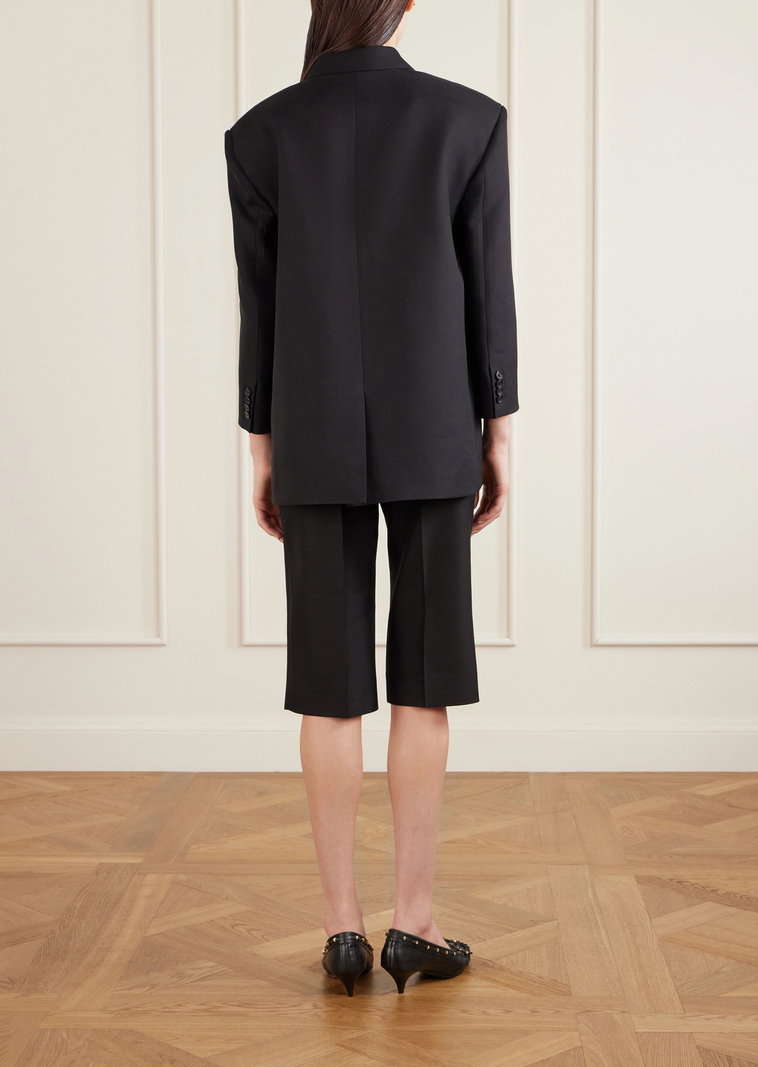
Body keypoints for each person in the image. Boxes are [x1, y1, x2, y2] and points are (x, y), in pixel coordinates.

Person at [224, 0, 518, 996]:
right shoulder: (468, 120)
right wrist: (496, 432)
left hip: (308, 428)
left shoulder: (262, 133)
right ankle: (414, 921)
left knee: (327, 679)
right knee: (422, 678)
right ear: (404, 5)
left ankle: (342, 928)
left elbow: (259, 307)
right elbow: (489, 294)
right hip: (435, 429)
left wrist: (261, 445)